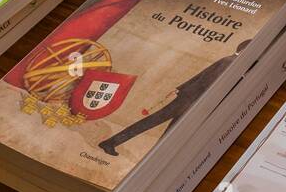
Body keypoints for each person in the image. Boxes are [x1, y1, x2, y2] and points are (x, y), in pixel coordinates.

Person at [98, 40, 251, 156]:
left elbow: (199, 76)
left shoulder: (229, 61)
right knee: (159, 127)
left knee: (164, 130)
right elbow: (209, 85)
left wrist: (179, 89)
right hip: (192, 102)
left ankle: (116, 145)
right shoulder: (229, 63)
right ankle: (112, 144)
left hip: (190, 99)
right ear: (245, 50)